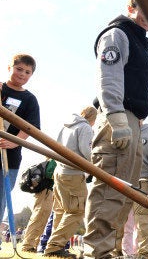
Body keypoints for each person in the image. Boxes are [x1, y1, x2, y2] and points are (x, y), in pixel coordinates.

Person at [83, 0, 148, 259]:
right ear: (130, 8)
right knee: (109, 190)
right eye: (144, 8)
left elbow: (133, 90)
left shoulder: (138, 42)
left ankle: (111, 251)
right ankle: (96, 253)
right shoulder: (117, 34)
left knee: (125, 193)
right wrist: (116, 117)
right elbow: (109, 78)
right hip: (119, 120)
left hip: (132, 121)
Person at [43, 106, 97, 258]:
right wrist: (96, 164)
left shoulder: (65, 126)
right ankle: (54, 246)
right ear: (94, 119)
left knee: (61, 210)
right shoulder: (85, 127)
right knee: (77, 211)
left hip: (59, 172)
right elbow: (86, 151)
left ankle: (53, 245)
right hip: (73, 173)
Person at [0, 54, 40, 225]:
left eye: (27, 72)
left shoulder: (30, 100)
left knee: (1, 197)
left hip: (10, 157)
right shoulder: (0, 89)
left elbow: (30, 127)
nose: (22, 74)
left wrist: (14, 141)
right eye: (19, 69)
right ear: (10, 68)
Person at [122, 121, 148, 258]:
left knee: (144, 222)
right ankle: (123, 252)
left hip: (144, 183)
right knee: (122, 221)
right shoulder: (127, 131)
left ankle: (145, 253)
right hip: (126, 182)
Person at [20, 161, 54, 254]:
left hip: (46, 192)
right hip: (45, 192)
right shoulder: (54, 161)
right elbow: (49, 173)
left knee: (42, 219)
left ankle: (33, 245)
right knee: (38, 218)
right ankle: (27, 246)